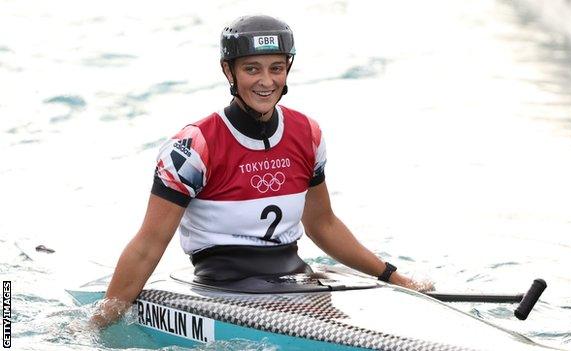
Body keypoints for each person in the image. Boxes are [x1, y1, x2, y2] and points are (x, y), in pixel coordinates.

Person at [91, 14, 434, 328]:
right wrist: (100, 322)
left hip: (296, 282)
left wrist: (394, 278)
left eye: (276, 68)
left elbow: (323, 224)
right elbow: (148, 245)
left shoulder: (307, 134)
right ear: (229, 71)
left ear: (288, 69)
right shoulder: (193, 147)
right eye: (252, 69)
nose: (266, 81)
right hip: (224, 290)